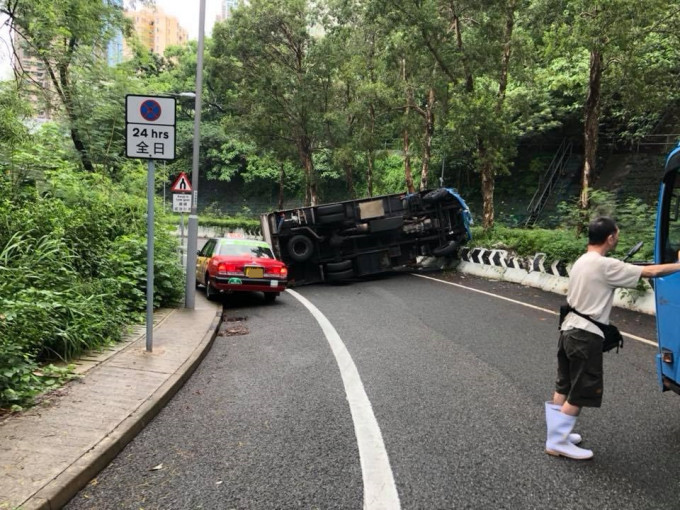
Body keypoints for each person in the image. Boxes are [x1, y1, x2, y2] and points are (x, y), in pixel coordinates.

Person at [545, 216, 680, 460]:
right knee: (582, 389)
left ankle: (559, 433)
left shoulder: (583, 260)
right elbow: (651, 271)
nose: (617, 238)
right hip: (586, 336)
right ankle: (556, 441)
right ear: (610, 238)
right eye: (616, 234)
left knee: (564, 384)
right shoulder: (604, 265)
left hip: (568, 331)